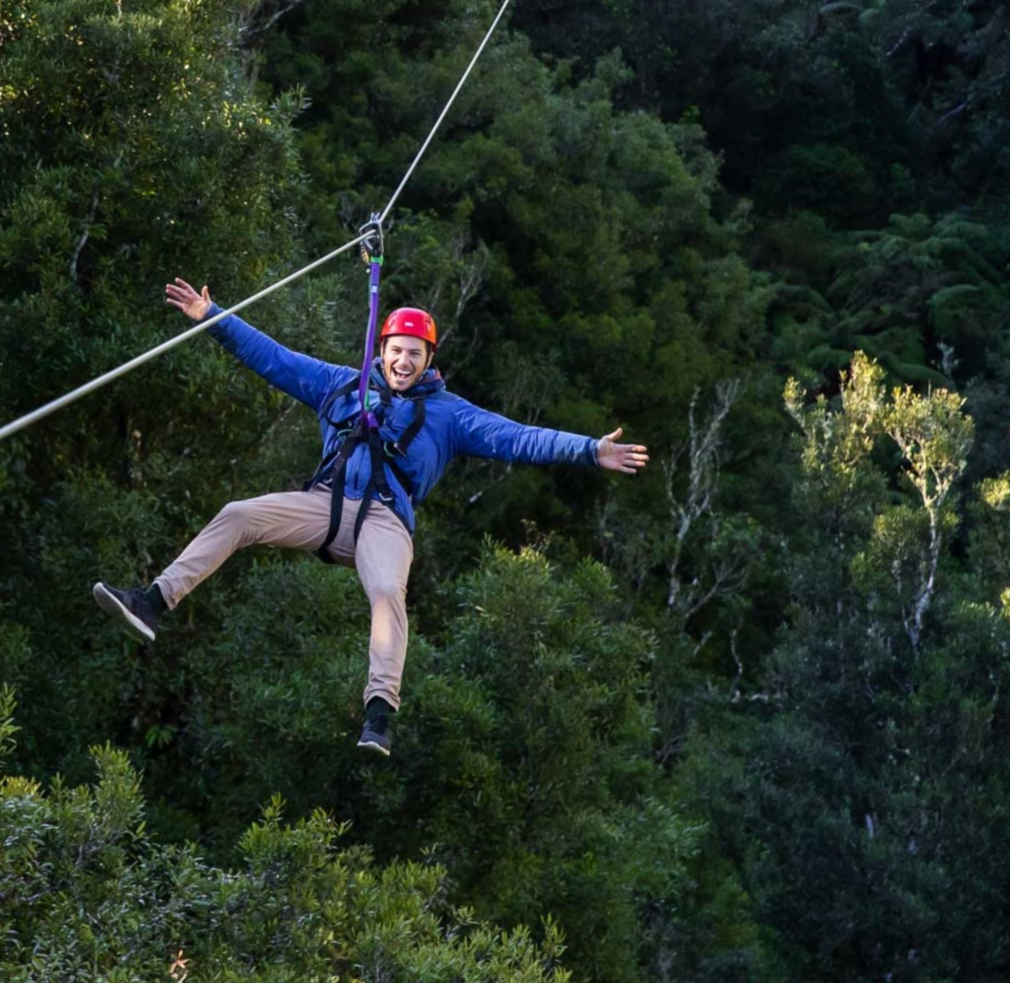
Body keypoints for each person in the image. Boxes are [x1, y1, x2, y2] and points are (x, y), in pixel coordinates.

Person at [95, 278, 649, 757]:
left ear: (429, 361)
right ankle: (154, 600)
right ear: (381, 350)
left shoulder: (451, 416)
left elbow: (519, 437)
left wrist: (588, 450)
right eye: (396, 351)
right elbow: (271, 357)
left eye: (414, 354)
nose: (403, 362)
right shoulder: (339, 382)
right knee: (238, 515)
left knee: (387, 590)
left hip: (385, 520)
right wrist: (210, 318)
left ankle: (380, 714)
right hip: (325, 506)